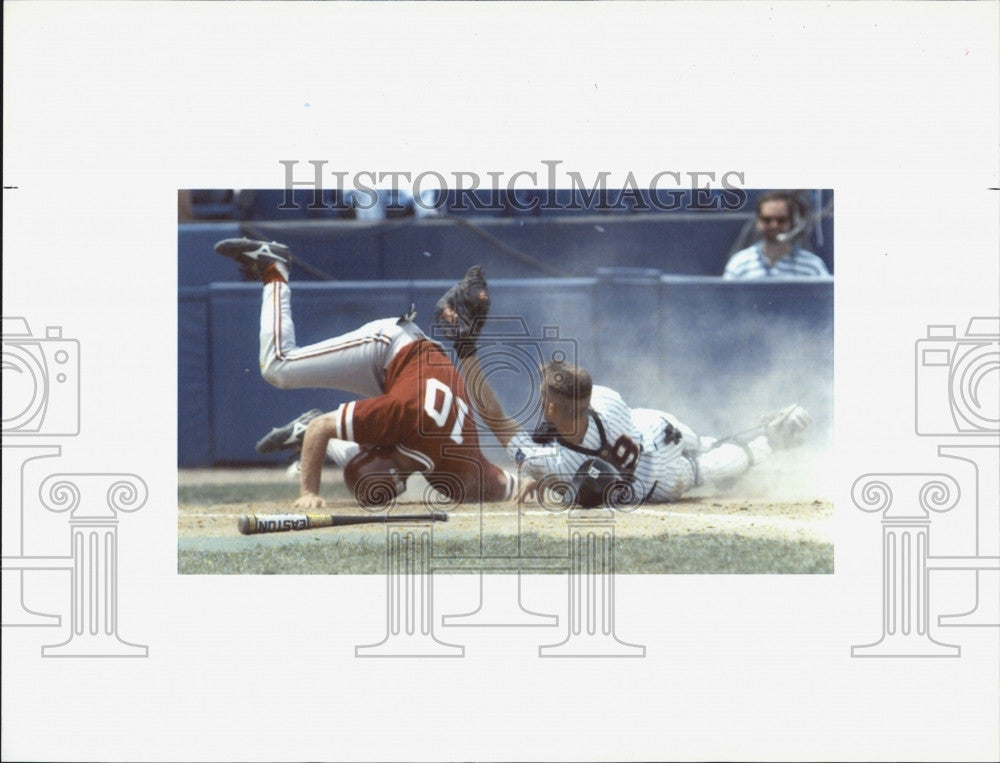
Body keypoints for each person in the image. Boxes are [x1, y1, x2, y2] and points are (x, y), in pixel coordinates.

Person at [436, 269, 812, 505]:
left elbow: (495, 416)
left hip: (658, 482)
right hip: (657, 428)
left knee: (705, 471)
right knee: (709, 445)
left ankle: (772, 440)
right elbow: (570, 417)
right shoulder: (606, 399)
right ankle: (751, 437)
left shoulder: (553, 462)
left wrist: (465, 346)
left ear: (552, 407)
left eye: (545, 396)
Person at [213, 237, 517, 510]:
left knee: (333, 425)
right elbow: (324, 426)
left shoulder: (457, 470)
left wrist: (532, 480)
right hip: (389, 348)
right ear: (379, 445)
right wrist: (308, 492)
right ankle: (274, 269)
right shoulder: (405, 423)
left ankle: (303, 432)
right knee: (279, 367)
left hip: (413, 377)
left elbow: (512, 480)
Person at [722, 191, 831, 279]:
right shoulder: (738, 263)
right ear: (758, 222)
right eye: (767, 220)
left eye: (781, 220)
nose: (774, 225)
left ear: (792, 222)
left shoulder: (813, 266)